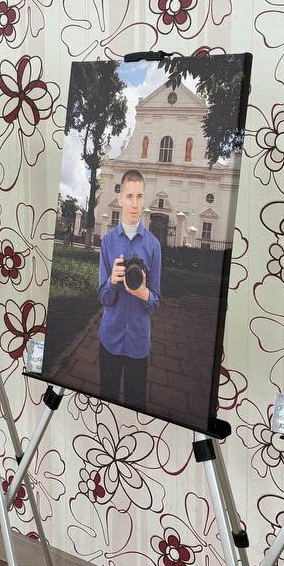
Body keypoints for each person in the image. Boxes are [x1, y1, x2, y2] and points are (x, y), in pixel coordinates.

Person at [96, 169, 162, 409]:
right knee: (106, 398)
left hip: (138, 342)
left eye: (140, 196)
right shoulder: (108, 242)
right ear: (121, 199)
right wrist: (112, 281)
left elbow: (155, 302)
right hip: (110, 338)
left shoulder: (154, 246)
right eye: (130, 196)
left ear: (144, 199)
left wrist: (143, 293)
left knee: (136, 404)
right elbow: (103, 297)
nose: (135, 204)